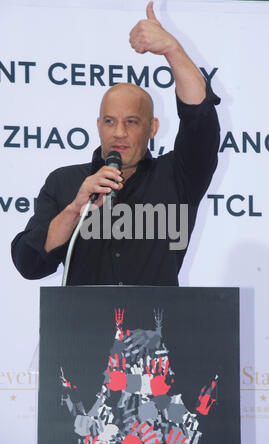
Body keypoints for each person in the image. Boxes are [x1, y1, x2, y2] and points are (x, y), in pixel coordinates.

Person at [11, 2, 220, 286]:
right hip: (81, 329)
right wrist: (75, 208)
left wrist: (172, 49)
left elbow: (200, 119)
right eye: (109, 122)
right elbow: (28, 263)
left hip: (156, 328)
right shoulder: (64, 182)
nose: (119, 133)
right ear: (98, 126)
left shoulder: (178, 177)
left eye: (131, 122)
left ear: (152, 128)